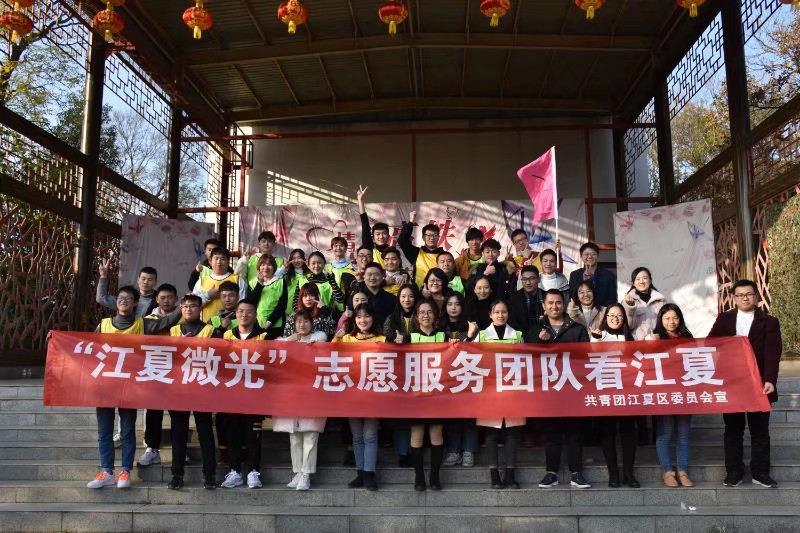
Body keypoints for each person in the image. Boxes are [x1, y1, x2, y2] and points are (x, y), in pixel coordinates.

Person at [86, 285, 181, 490]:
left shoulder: (142, 324)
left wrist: (183, 306)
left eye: (128, 298)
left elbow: (167, 321)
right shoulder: (104, 325)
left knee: (128, 430)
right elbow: (85, 345)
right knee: (104, 432)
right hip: (105, 386)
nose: (123, 301)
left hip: (129, 387)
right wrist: (56, 340)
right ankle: (106, 471)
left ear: (135, 303)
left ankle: (125, 471)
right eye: (121, 298)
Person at [708, 279, 782, 489]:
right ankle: (734, 472)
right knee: (733, 430)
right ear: (734, 298)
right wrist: (727, 343)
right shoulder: (724, 319)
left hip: (759, 384)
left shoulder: (769, 321)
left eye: (749, 294)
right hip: (732, 384)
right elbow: (710, 344)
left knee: (760, 431)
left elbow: (773, 353)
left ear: (756, 296)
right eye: (740, 295)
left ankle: (760, 473)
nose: (745, 298)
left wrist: (770, 380)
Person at [527, 289, 591, 489]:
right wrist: (541, 343)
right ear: (543, 306)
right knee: (551, 433)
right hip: (547, 392)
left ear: (563, 305)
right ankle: (551, 473)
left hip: (572, 389)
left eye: (558, 303)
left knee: (574, 433)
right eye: (550, 303)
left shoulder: (577, 329)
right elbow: (527, 360)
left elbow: (586, 358)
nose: (554, 306)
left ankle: (577, 473)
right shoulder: (534, 331)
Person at [166, 294, 217, 491]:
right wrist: (177, 345)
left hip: (203, 388)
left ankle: (209, 475)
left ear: (200, 308)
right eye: (185, 306)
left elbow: (217, 357)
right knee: (178, 433)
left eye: (193, 306)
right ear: (181, 308)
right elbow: (166, 358)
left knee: (205, 432)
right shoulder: (173, 330)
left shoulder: (210, 330)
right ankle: (177, 474)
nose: (189, 309)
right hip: (179, 389)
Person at [472, 299, 525, 489]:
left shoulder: (517, 335)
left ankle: (510, 474)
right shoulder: (481, 335)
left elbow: (525, 361)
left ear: (508, 314)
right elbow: (471, 358)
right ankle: (494, 475)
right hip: (489, 390)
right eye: (496, 312)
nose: (500, 315)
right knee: (491, 432)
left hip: (512, 389)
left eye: (504, 312)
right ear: (490, 314)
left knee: (512, 432)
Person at [275, 310, 328, 491]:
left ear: (312, 323)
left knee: (311, 435)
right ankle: (297, 471)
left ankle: (306, 474)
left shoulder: (318, 339)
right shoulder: (287, 341)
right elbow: (276, 346)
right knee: (294, 437)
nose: (302, 324)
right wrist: (292, 339)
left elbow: (322, 338)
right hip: (292, 395)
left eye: (306, 321)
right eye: (299, 321)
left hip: (312, 394)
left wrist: (310, 343)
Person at [335, 303, 385, 491]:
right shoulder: (347, 338)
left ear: (373, 318)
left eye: (367, 316)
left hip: (373, 395)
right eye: (359, 317)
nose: (363, 320)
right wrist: (336, 338)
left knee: (370, 435)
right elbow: (329, 355)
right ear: (354, 320)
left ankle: (369, 473)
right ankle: (360, 473)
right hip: (352, 394)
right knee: (357, 437)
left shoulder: (382, 339)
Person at [220, 299, 268, 489]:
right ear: (236, 314)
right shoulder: (227, 334)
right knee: (233, 433)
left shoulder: (264, 336)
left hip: (255, 395)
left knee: (253, 435)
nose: (244, 315)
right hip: (231, 393)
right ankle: (235, 471)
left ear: (255, 315)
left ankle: (254, 471)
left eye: (249, 312)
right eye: (240, 311)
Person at [645, 303, 695, 488]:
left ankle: (682, 471)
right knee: (665, 433)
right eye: (666, 318)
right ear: (660, 320)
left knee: (684, 434)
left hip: (683, 393)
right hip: (663, 393)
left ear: (680, 319)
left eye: (675, 318)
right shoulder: (654, 337)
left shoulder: (688, 338)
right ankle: (668, 471)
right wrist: (651, 343)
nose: (671, 322)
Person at [590, 304, 639, 488]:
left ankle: (629, 474)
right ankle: (613, 475)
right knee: (608, 433)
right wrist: (595, 339)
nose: (615, 319)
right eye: (611, 315)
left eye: (619, 315)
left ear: (624, 318)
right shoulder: (598, 335)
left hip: (627, 392)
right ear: (605, 317)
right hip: (606, 391)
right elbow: (591, 357)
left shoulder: (631, 338)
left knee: (629, 434)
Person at [138, 282, 180, 468]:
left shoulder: (184, 317)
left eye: (170, 297)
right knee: (153, 411)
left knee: (178, 413)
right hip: (155, 369)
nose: (166, 301)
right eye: (162, 298)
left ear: (176, 299)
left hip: (177, 370)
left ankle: (180, 449)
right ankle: (152, 449)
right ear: (156, 299)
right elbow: (160, 326)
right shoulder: (148, 319)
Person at [407, 300, 446, 491]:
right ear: (416, 316)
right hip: (416, 395)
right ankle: (419, 477)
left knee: (436, 435)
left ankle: (435, 477)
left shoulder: (443, 336)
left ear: (435, 315)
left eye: (429, 312)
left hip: (437, 394)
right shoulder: (410, 337)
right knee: (417, 435)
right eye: (421, 312)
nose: (425, 315)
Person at [440, 292, 479, 467]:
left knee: (469, 415)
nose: (453, 308)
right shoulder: (440, 327)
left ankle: (469, 450)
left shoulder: (472, 327)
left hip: (468, 376)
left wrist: (469, 337)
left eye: (457, 304)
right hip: (446, 378)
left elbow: (476, 351)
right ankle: (454, 451)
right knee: (451, 416)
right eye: (450, 304)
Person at [192, 247, 247, 322]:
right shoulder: (202, 281)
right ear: (211, 261)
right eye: (216, 258)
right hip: (206, 326)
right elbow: (193, 305)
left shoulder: (238, 280)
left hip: (233, 324)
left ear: (228, 261)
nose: (219, 262)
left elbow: (243, 304)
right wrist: (208, 295)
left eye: (222, 259)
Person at [398, 213, 445, 288]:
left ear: (439, 237)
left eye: (435, 235)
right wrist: (411, 222)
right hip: (419, 292)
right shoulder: (416, 252)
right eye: (429, 235)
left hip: (439, 291)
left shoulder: (444, 255)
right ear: (423, 237)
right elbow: (402, 241)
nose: (432, 238)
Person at [247, 255, 287, 338]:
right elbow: (251, 303)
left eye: (269, 265)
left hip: (276, 325)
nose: (266, 267)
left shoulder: (281, 282)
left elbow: (282, 305)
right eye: (262, 265)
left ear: (274, 267)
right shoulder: (252, 282)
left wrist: (270, 321)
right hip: (256, 324)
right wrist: (260, 284)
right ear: (258, 267)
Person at [622, 266, 666, 340]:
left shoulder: (661, 300)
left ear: (650, 280)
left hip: (656, 341)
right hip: (636, 342)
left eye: (645, 278)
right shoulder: (627, 301)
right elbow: (628, 326)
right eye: (637, 279)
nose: (641, 282)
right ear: (633, 283)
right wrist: (630, 307)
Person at [569, 242, 616, 307]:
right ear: (581, 257)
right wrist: (585, 281)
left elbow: (612, 299)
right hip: (580, 311)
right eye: (586, 254)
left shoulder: (608, 275)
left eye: (593, 254)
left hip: (603, 310)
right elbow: (572, 296)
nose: (590, 257)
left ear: (598, 256)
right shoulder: (574, 275)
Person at [357, 185, 392, 267]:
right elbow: (365, 226)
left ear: (388, 236)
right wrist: (360, 201)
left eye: (384, 233)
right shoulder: (370, 248)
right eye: (378, 234)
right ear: (373, 237)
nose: (381, 237)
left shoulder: (392, 252)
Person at [355, 261, 397, 326]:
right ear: (364, 276)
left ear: (382, 276)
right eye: (369, 274)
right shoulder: (357, 297)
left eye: (376, 274)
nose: (372, 278)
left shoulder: (392, 299)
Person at [508, 265, 544, 332]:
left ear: (538, 279)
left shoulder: (546, 296)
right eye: (524, 279)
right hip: (522, 336)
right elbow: (512, 321)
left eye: (532, 278)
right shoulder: (513, 298)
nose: (528, 283)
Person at [284, 249, 311, 318]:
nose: (296, 261)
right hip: (287, 312)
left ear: (304, 259)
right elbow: (273, 277)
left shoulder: (309, 274)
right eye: (293, 258)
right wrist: (284, 267)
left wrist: (310, 266)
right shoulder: (287, 274)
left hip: (304, 312)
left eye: (299, 258)